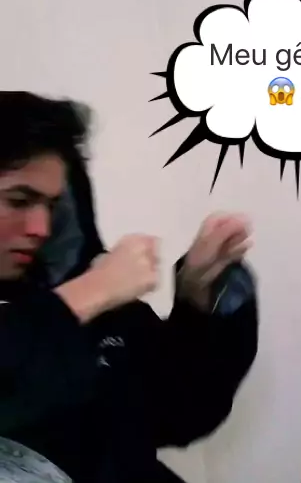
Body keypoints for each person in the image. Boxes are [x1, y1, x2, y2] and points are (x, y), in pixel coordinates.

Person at [0, 91, 258, 482]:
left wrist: (198, 295)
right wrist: (88, 294)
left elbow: (181, 415)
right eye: (19, 200)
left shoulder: (90, 298)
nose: (41, 228)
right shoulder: (89, 293)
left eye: (52, 205)